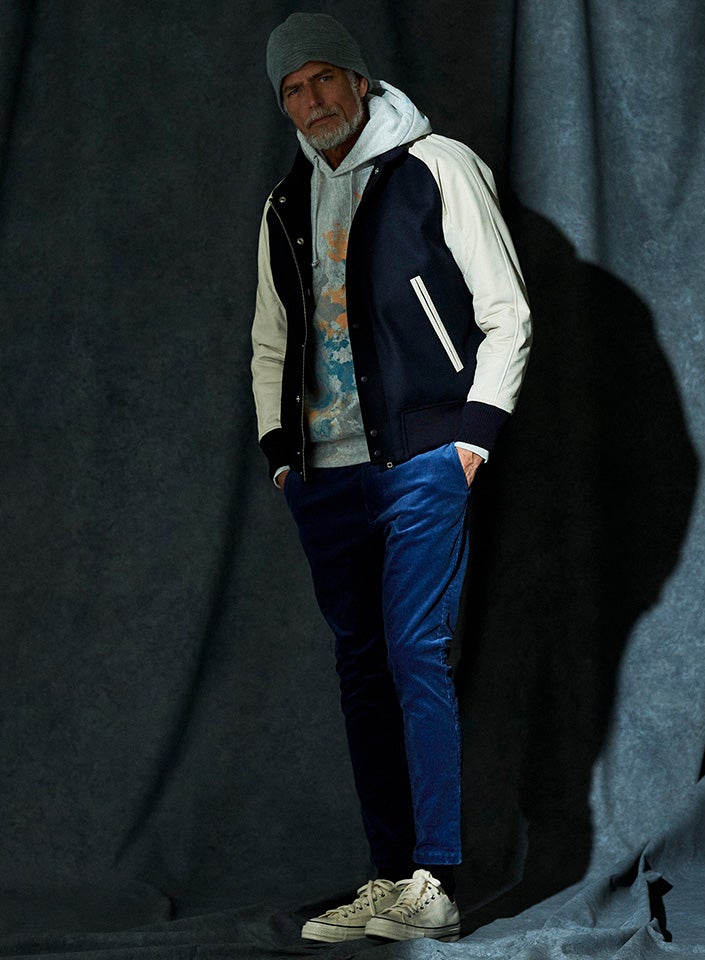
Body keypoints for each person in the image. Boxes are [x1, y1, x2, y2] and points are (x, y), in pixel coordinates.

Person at [251, 12, 532, 944]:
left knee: (416, 656)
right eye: (293, 89)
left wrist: (471, 440)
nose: (312, 100)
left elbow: (506, 311)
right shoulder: (285, 203)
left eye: (324, 78)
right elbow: (270, 339)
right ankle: (386, 876)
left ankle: (434, 879)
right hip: (325, 476)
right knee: (362, 670)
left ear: (361, 81)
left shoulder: (436, 167)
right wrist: (282, 456)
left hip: (422, 460)